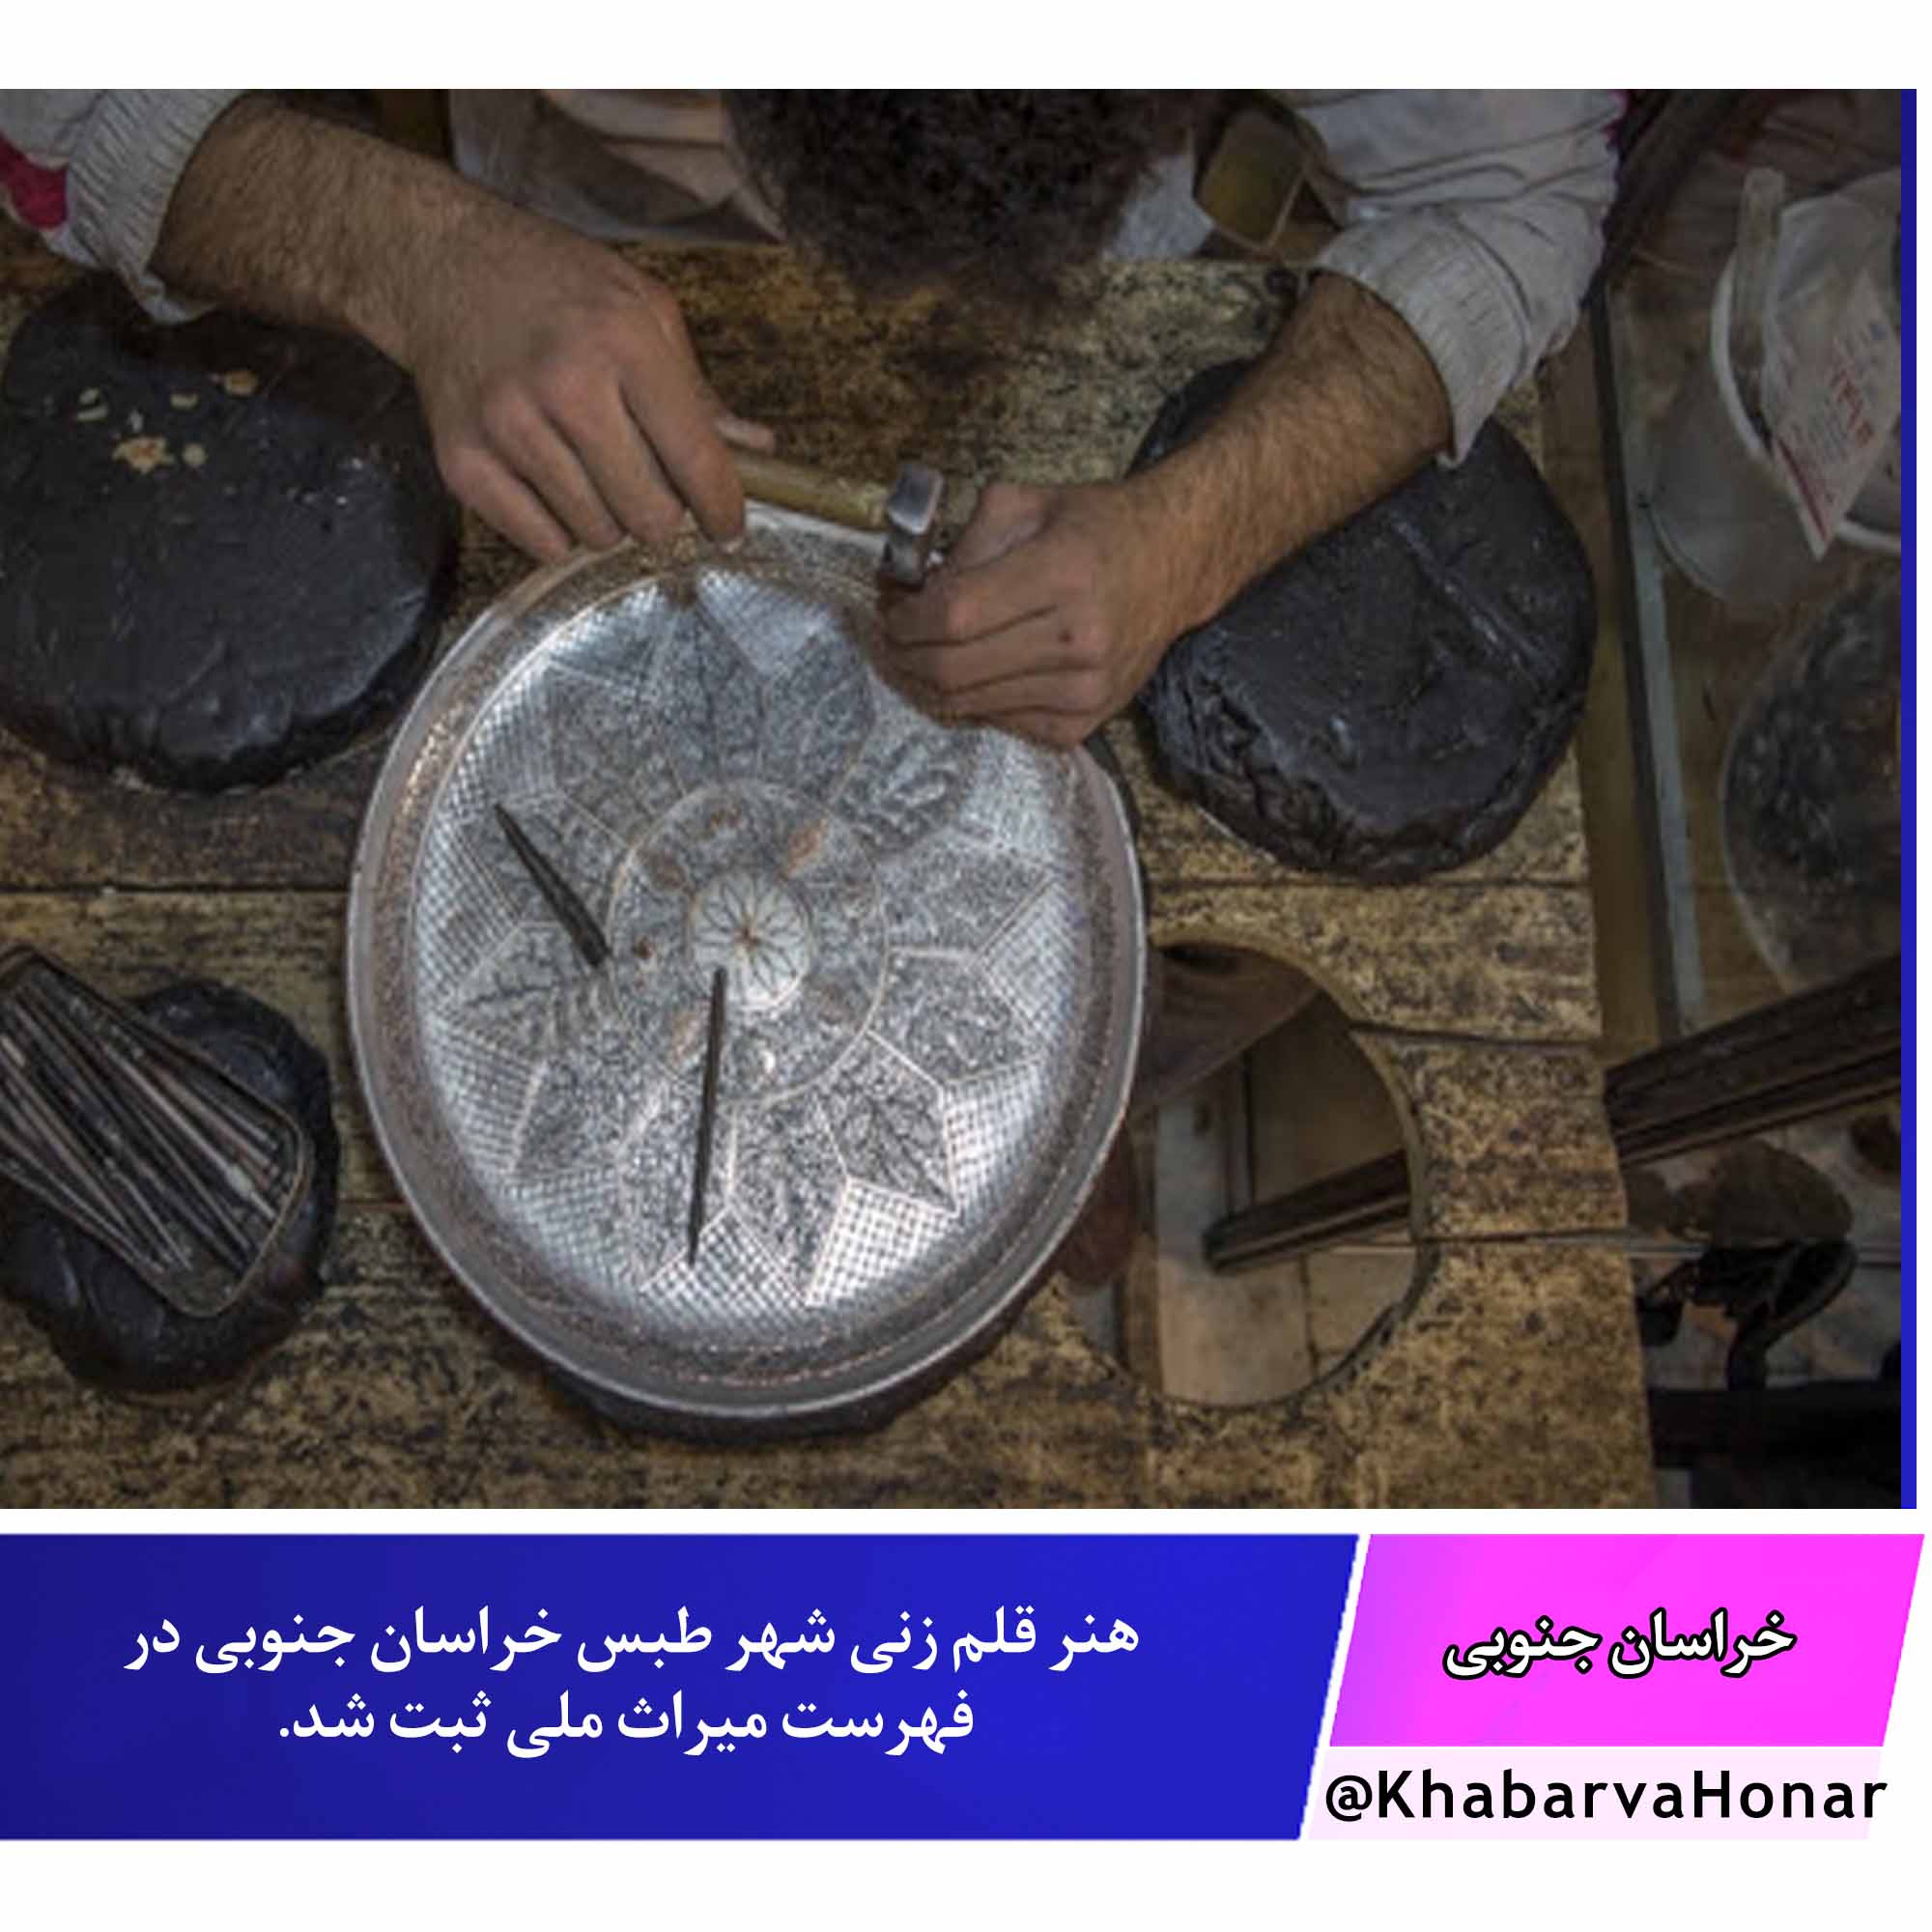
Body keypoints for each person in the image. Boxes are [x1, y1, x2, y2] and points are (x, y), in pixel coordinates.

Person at [0, 89, 1620, 748]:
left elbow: (1516, 205)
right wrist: (416, 259)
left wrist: (1189, 539)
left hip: (1092, 281)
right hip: (553, 199)